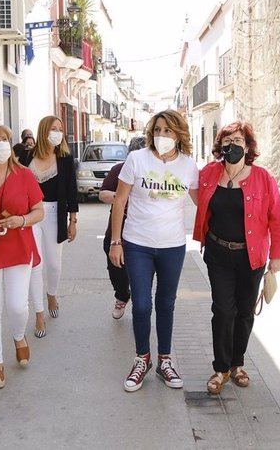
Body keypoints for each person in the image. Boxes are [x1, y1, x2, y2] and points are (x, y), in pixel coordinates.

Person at [109, 110, 199, 392]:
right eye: (158, 130)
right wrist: (115, 241)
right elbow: (120, 201)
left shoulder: (188, 166)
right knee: (142, 304)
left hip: (172, 245)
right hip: (138, 243)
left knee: (166, 304)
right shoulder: (137, 160)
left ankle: (164, 360)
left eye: (168, 131)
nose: (162, 136)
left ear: (179, 135)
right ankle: (141, 358)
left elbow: (204, 202)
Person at [193, 121, 280, 394]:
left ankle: (238, 364)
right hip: (218, 252)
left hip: (251, 256)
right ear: (220, 145)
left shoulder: (263, 178)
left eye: (238, 140)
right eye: (227, 140)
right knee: (223, 310)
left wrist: (277, 256)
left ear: (248, 146)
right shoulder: (209, 173)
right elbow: (189, 190)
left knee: (244, 312)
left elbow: (277, 218)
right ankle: (221, 368)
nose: (232, 145)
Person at [0, 125, 44, 389]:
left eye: (4, 139)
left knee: (16, 305)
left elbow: (39, 211)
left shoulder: (24, 174)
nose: (1, 144)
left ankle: (18, 337)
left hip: (19, 246)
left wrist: (21, 220)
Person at [26, 116, 78, 338]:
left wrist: (72, 221)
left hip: (56, 214)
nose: (57, 133)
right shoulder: (26, 155)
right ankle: (38, 313)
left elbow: (72, 191)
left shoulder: (65, 158)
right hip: (30, 216)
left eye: (60, 129)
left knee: (54, 265)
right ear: (43, 130)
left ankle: (52, 294)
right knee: (34, 265)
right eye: (53, 128)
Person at [99, 136, 146, 320]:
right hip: (116, 233)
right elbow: (103, 194)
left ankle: (141, 305)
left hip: (143, 234)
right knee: (116, 270)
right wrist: (122, 197)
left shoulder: (153, 171)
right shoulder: (118, 170)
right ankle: (122, 295)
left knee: (142, 274)